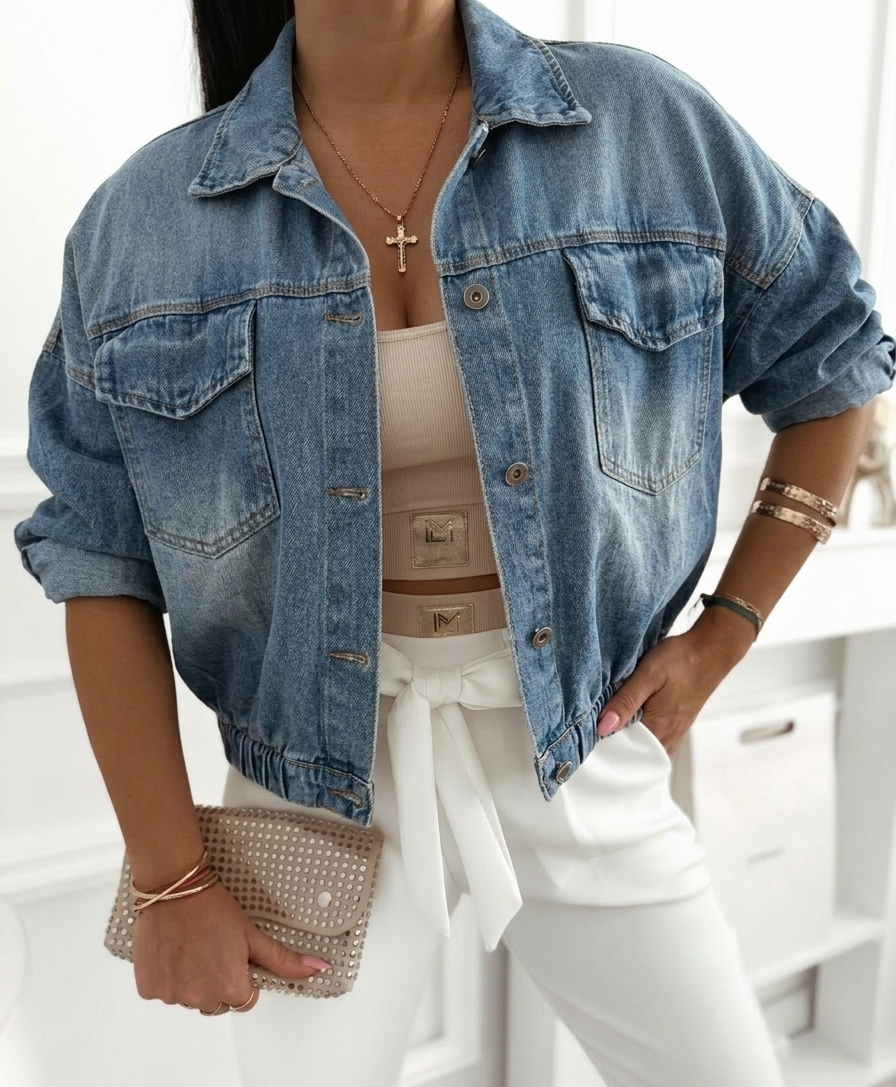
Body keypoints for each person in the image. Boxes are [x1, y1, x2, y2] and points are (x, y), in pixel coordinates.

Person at [12, 0, 895, 1084]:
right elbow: (99, 558)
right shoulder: (144, 222)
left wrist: (726, 632)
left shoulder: (641, 129)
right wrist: (169, 877)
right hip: (307, 792)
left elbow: (834, 357)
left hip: (581, 745)